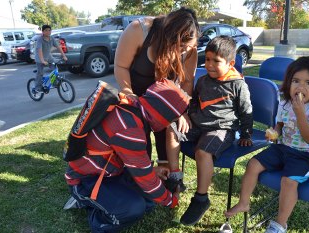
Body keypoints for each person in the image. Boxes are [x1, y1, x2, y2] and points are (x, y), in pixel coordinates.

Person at [63, 79, 190, 232]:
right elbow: (145, 180)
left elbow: (136, 165)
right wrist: (171, 201)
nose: (168, 125)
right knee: (133, 209)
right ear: (162, 115)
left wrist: (152, 171)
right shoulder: (129, 129)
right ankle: (95, 215)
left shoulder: (132, 107)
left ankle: (101, 201)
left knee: (148, 202)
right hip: (86, 180)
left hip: (108, 173)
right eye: (172, 119)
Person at [224, 56, 309, 233]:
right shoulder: (285, 103)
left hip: (305, 154)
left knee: (288, 181)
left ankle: (280, 224)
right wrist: (274, 133)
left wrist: (300, 114)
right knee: (252, 164)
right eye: (296, 81)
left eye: (308, 83)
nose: (300, 87)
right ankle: (244, 203)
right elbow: (280, 126)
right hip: (282, 148)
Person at [166, 36, 253, 226]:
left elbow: (246, 112)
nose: (210, 65)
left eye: (216, 61)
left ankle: (201, 198)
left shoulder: (238, 84)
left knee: (202, 152)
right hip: (198, 125)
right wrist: (188, 115)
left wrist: (246, 135)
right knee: (172, 129)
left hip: (221, 129)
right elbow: (195, 100)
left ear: (230, 63)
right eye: (207, 59)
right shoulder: (203, 80)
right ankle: (174, 178)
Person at [114, 7, 199, 164]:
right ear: (167, 33)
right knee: (140, 143)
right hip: (136, 98)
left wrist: (182, 111)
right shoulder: (139, 30)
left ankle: (168, 178)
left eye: (184, 48)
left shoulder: (190, 49)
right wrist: (128, 93)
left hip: (165, 103)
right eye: (176, 45)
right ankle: (144, 176)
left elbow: (187, 82)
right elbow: (121, 66)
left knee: (166, 142)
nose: (179, 52)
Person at [34, 24, 67, 92]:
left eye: (49, 30)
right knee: (40, 73)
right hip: (40, 58)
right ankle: (37, 88)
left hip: (48, 57)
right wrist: (42, 60)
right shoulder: (40, 39)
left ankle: (54, 83)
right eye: (46, 30)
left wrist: (63, 56)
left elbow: (58, 47)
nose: (48, 32)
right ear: (42, 32)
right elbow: (39, 50)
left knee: (54, 70)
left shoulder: (51, 38)